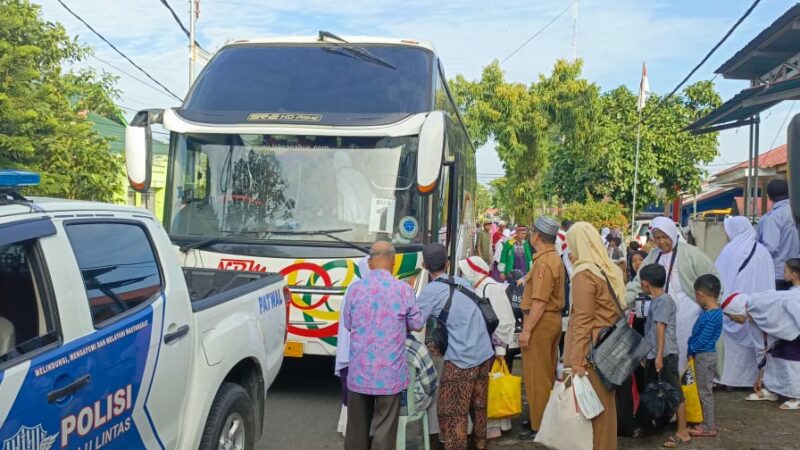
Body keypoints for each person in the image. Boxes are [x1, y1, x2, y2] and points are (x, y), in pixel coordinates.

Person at [342, 241, 424, 450]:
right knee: (385, 429)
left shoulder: (354, 290)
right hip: (389, 372)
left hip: (360, 371)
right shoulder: (404, 290)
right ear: (393, 262)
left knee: (356, 430)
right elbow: (417, 323)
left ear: (369, 263)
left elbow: (348, 324)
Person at [417, 243, 494, 450]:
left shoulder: (430, 291)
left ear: (424, 265)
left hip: (462, 358)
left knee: (451, 413)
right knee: (478, 407)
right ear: (448, 263)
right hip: (484, 352)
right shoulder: (462, 282)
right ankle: (480, 445)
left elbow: (415, 323)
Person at [626, 217, 719, 373]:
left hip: (686, 309)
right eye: (657, 238)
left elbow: (711, 276)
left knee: (683, 345)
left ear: (672, 234)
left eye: (665, 237)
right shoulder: (653, 256)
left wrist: (714, 301)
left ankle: (683, 382)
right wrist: (625, 300)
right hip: (660, 308)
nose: (661, 241)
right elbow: (639, 281)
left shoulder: (690, 253)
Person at [563, 222, 626, 450]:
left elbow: (582, 320)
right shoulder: (607, 269)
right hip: (610, 349)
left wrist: (576, 360)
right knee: (606, 410)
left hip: (592, 353)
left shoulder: (584, 274)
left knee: (593, 413)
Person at [517, 217, 565, 441]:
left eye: (532, 232)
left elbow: (539, 302)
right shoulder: (552, 258)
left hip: (541, 321)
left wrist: (526, 331)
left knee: (538, 376)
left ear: (537, 235)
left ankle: (539, 425)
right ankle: (543, 419)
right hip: (550, 321)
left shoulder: (544, 263)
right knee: (545, 372)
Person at [458, 256, 516, 439]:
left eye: (465, 272)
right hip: (483, 344)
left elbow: (505, 320)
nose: (463, 276)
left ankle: (493, 426)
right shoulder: (480, 287)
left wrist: (500, 349)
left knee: (492, 386)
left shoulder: (491, 288)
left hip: (493, 346)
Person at [715, 216, 774, 389]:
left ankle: (727, 380)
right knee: (754, 340)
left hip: (733, 308)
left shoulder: (729, 251)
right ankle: (752, 380)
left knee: (729, 344)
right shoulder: (764, 252)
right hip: (756, 311)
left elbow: (719, 278)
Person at [634, 263, 690, 447]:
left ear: (645, 283)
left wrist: (658, 355)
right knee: (654, 390)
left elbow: (660, 328)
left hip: (665, 354)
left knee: (674, 392)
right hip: (656, 354)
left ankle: (683, 431)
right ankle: (651, 425)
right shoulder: (657, 300)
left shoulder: (664, 301)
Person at [737, 260, 800, 409]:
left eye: (785, 271)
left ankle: (797, 395)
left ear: (794, 274)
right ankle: (773, 389)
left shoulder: (793, 295)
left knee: (791, 365)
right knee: (775, 359)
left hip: (795, 336)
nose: (782, 273)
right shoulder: (788, 293)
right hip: (782, 334)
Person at [335, 257, 371, 436]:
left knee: (351, 386)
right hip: (355, 346)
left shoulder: (354, 286)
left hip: (349, 345)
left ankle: (348, 427)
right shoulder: (359, 288)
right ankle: (352, 427)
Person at [687, 274, 723, 438]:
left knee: (704, 391)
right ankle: (706, 423)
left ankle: (708, 426)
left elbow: (702, 339)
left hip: (703, 356)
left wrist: (691, 349)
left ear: (701, 294)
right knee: (704, 389)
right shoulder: (716, 313)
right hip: (706, 354)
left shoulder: (710, 316)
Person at [757, 179, 800, 290]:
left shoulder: (773, 217)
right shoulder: (795, 211)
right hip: (796, 272)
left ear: (769, 197)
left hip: (777, 273)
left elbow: (770, 246)